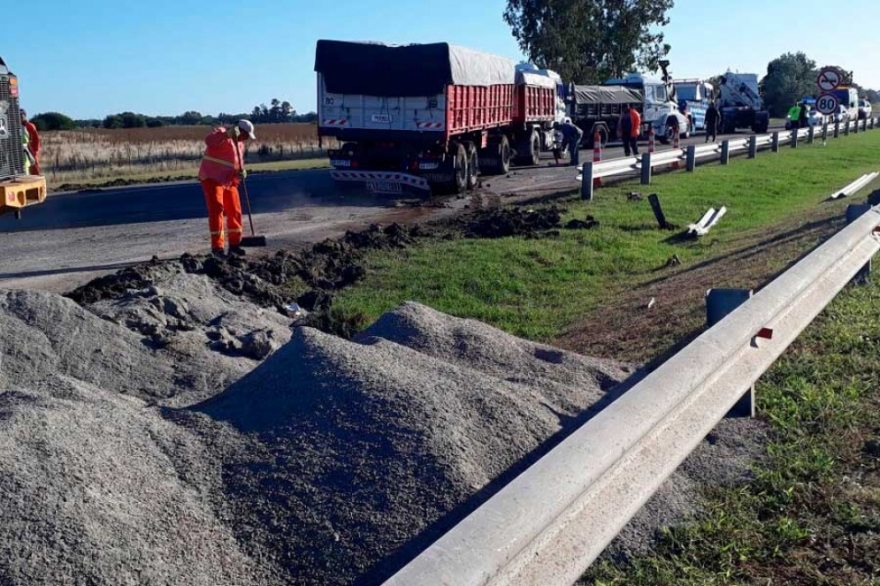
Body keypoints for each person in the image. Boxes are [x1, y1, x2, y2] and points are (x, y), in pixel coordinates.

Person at [198, 119, 256, 258]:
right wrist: (227, 135)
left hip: (229, 181)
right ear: (238, 130)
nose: (246, 138)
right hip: (212, 178)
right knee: (217, 208)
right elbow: (209, 141)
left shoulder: (240, 145)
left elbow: (236, 163)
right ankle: (217, 248)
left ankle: (235, 245)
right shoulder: (221, 133)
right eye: (245, 135)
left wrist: (240, 172)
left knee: (235, 210)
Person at [20, 109, 40, 174]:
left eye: (21, 115)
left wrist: (34, 152)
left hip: (32, 150)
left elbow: (35, 140)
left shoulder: (30, 126)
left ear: (24, 115)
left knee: (34, 170)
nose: (20, 117)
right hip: (24, 152)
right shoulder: (18, 127)